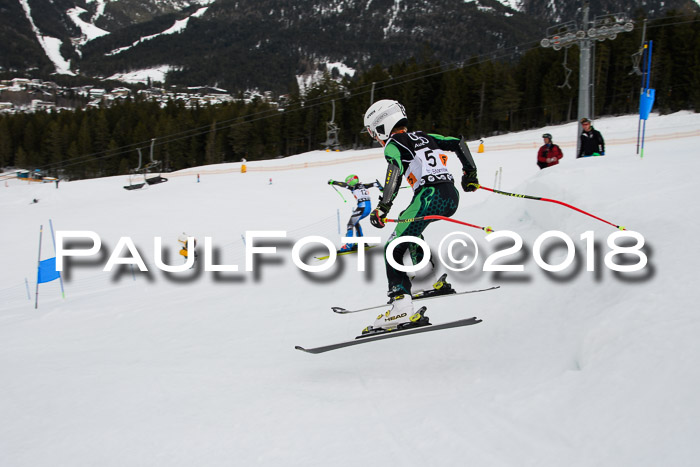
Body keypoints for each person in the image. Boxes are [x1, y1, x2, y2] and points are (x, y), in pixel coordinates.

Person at [363, 99, 479, 335]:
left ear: (382, 125)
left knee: (392, 248)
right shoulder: (426, 136)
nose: (375, 138)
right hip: (451, 197)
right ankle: (426, 279)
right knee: (412, 231)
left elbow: (393, 171)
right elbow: (458, 143)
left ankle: (401, 305)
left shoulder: (393, 144)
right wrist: (470, 173)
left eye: (374, 132)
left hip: (429, 196)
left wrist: (383, 207)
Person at [328, 175, 383, 252]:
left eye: (348, 182)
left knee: (350, 224)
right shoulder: (363, 186)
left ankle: (348, 245)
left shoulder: (353, 187)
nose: (348, 184)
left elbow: (343, 184)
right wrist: (381, 188)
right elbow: (375, 184)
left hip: (362, 207)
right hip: (367, 207)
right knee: (355, 222)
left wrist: (333, 182)